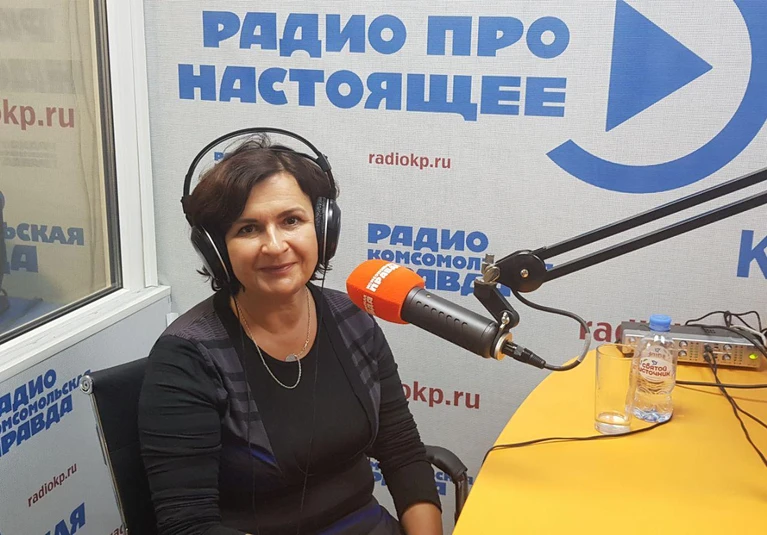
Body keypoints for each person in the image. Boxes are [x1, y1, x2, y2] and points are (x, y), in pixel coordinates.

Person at [137, 134, 442, 535]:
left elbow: (402, 453)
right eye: (248, 228)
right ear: (216, 250)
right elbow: (188, 526)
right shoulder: (187, 357)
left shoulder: (352, 318)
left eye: (291, 221)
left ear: (323, 229)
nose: (275, 245)